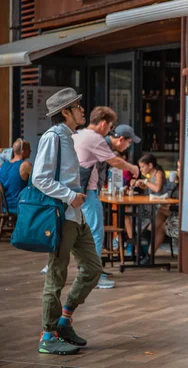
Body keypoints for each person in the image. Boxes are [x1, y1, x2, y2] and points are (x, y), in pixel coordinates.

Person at [33, 88, 102, 355]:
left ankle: (64, 319)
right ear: (65, 112)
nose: (83, 110)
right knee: (56, 276)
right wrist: (70, 195)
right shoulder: (53, 137)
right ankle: (47, 336)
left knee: (93, 269)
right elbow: (40, 178)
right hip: (63, 215)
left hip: (76, 217)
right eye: (78, 106)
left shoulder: (68, 136)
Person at [72, 107, 140, 290]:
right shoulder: (95, 138)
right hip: (88, 193)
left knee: (76, 231)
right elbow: (115, 161)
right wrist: (133, 168)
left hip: (77, 191)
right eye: (109, 126)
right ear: (103, 124)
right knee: (95, 233)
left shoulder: (78, 135)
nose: (109, 130)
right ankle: (92, 275)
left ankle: (87, 270)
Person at [130, 153, 167, 264]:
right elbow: (148, 187)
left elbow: (157, 188)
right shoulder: (150, 176)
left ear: (150, 165)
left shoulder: (158, 173)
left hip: (162, 207)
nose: (141, 169)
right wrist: (139, 184)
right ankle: (141, 244)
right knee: (129, 214)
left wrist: (145, 182)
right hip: (152, 208)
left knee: (157, 219)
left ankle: (142, 240)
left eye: (142, 166)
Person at [0, 138, 32, 214]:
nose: (30, 152)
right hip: (20, 206)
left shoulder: (4, 165)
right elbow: (37, 182)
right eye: (29, 150)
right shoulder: (25, 165)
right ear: (23, 151)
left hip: (5, 207)